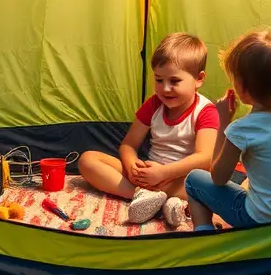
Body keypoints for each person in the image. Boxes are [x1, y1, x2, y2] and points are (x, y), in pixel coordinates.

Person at [185, 28, 271, 232]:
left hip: (255, 220)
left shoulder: (240, 130)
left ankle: (204, 231)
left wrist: (223, 123)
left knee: (193, 180)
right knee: (249, 180)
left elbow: (218, 178)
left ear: (242, 88)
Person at [78, 33, 219, 227]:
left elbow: (205, 158)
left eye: (175, 81)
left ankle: (160, 200)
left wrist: (164, 173)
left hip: (180, 179)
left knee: (208, 184)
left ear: (198, 79)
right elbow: (128, 144)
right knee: (88, 159)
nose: (165, 89)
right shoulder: (153, 105)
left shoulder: (205, 111)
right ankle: (144, 196)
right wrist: (132, 166)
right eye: (159, 80)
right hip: (146, 176)